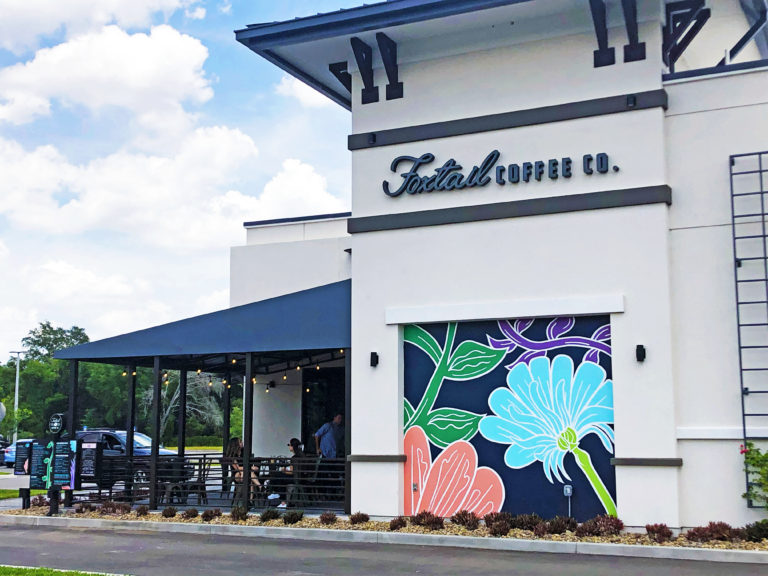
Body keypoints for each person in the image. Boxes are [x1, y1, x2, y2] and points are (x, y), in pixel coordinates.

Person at [269, 437, 304, 509]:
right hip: (302, 477)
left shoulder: (294, 458)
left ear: (293, 446)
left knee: (278, 476)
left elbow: (292, 472)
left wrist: (284, 471)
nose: (289, 446)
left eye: (289, 445)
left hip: (296, 478)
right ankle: (278, 495)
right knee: (279, 476)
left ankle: (280, 498)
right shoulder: (303, 456)